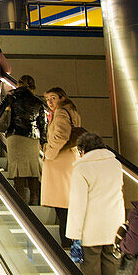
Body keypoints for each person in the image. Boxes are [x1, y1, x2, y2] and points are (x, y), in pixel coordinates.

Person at [66, 132, 125, 275]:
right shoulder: (115, 164)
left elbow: (78, 204)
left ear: (82, 150)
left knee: (91, 269)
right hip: (113, 226)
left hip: (91, 228)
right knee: (111, 267)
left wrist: (74, 233)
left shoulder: (82, 168)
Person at [0, 74, 46, 205]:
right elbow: (42, 123)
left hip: (15, 135)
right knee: (33, 168)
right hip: (32, 137)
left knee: (18, 167)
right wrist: (43, 141)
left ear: (18, 84)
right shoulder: (38, 101)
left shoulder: (12, 97)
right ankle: (35, 199)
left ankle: (21, 200)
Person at [40, 87, 80, 248]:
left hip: (60, 161)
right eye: (47, 99)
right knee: (66, 203)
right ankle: (69, 239)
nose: (49, 102)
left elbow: (61, 135)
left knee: (62, 205)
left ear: (62, 98)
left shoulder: (61, 112)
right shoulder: (72, 111)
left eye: (53, 98)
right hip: (68, 158)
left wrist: (48, 153)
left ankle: (66, 241)